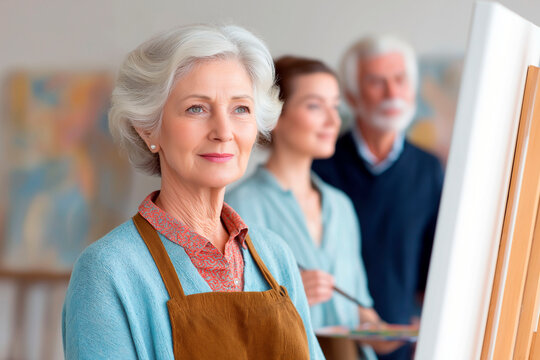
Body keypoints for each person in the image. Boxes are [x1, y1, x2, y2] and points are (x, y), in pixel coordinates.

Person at [62, 25, 325, 360]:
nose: (224, 131)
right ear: (147, 128)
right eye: (197, 108)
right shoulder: (107, 270)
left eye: (240, 108)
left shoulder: (275, 256)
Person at [227, 56, 399, 360]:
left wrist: (387, 334)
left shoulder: (341, 206)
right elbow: (227, 318)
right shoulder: (239, 207)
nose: (333, 121)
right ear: (275, 115)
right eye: (315, 106)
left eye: (334, 106)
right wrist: (288, 295)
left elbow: (361, 312)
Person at [312, 35, 444, 360]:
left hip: (403, 345)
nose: (392, 93)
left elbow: (434, 264)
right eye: (376, 82)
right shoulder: (320, 165)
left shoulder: (428, 169)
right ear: (353, 96)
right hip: (332, 343)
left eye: (400, 80)